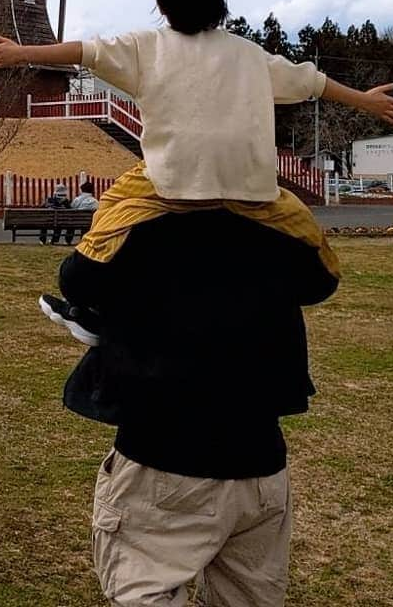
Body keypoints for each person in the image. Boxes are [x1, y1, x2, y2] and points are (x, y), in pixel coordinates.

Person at [0, 0, 393, 334]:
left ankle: (93, 315)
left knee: (97, 238)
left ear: (162, 5)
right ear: (217, 4)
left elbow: (83, 52)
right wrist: (364, 101)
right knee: (322, 271)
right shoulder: (249, 54)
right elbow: (311, 81)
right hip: (250, 192)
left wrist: (20, 53)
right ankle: (263, 303)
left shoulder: (145, 47)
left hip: (169, 186)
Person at [59, 207, 339, 606]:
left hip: (165, 454)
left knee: (143, 588)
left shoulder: (142, 221)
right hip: (258, 459)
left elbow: (79, 277)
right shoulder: (279, 224)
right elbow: (320, 281)